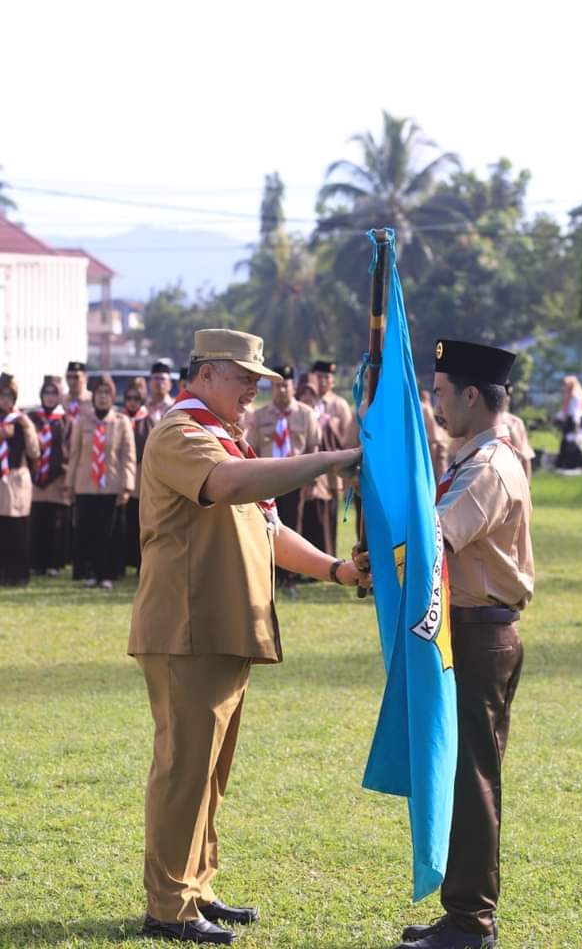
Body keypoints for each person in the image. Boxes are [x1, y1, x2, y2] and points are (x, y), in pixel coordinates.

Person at [127, 328, 368, 945]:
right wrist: (333, 461)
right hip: (189, 626)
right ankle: (169, 906)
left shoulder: (222, 439)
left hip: (221, 626)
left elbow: (271, 532)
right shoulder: (181, 433)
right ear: (204, 374)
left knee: (209, 770)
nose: (253, 393)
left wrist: (336, 570)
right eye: (244, 379)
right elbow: (231, 487)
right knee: (185, 768)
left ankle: (196, 887)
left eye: (259, 383)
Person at [394, 339, 534, 949]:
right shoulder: (475, 459)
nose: (436, 403)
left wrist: (383, 558)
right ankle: (465, 912)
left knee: (473, 778)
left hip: (481, 636)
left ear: (473, 396)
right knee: (462, 774)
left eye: (442, 392)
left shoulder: (487, 467)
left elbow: (436, 542)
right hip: (468, 632)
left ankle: (471, 920)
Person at [246, 365, 321, 594]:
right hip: (269, 482)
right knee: (267, 528)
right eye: (277, 386)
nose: (281, 391)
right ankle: (271, 575)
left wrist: (313, 481)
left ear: (293, 387)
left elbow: (313, 448)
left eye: (285, 386)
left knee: (293, 528)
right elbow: (254, 449)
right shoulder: (260, 415)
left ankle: (290, 579)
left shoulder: (306, 414)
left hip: (296, 480)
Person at [65, 374, 136, 590]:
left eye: (107, 393)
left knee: (109, 533)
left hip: (111, 485)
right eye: (99, 393)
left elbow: (128, 455)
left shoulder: (121, 422)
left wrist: (127, 486)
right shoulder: (82, 421)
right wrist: (70, 484)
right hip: (86, 485)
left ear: (113, 396)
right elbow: (75, 453)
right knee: (87, 531)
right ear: (93, 396)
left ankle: (108, 575)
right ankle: (90, 573)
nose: (103, 397)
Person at [29, 376, 73, 576]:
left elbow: (72, 448)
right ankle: (36, 562)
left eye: (54, 393)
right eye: (47, 392)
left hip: (58, 479)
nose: (50, 397)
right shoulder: (32, 418)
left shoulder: (66, 420)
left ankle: (53, 564)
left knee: (56, 525)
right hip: (35, 480)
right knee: (36, 522)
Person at [0, 373, 40, 586]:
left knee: (18, 528)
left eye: (9, 396)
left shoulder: (21, 419)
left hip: (16, 479)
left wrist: (27, 429)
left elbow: (34, 452)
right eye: (2, 395)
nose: (5, 400)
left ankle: (18, 574)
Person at [311, 360, 352, 553]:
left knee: (331, 512)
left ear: (332, 381)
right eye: (319, 377)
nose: (323, 381)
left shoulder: (339, 405)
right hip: (310, 468)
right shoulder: (304, 400)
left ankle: (329, 553)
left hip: (332, 472)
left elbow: (347, 440)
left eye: (327, 377)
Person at [295, 373, 334, 554]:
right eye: (304, 394)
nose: (307, 398)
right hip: (298, 473)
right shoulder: (294, 415)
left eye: (311, 394)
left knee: (318, 520)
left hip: (320, 477)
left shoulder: (324, 418)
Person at [122, 378, 153, 574]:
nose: (132, 402)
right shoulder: (118, 418)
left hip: (141, 483)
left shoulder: (148, 420)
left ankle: (141, 565)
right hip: (121, 481)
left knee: (140, 526)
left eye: (136, 398)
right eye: (128, 398)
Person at [554, 374, 582, 471]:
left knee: (574, 443)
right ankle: (562, 464)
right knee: (566, 444)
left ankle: (581, 464)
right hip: (570, 422)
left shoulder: (575, 396)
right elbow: (565, 410)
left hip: (574, 423)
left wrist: (576, 427)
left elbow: (576, 412)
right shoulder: (569, 396)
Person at [501, 385, 535, 481]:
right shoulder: (479, 422)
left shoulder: (516, 422)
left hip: (512, 477)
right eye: (506, 394)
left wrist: (527, 487)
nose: (508, 398)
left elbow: (525, 457)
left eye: (509, 394)